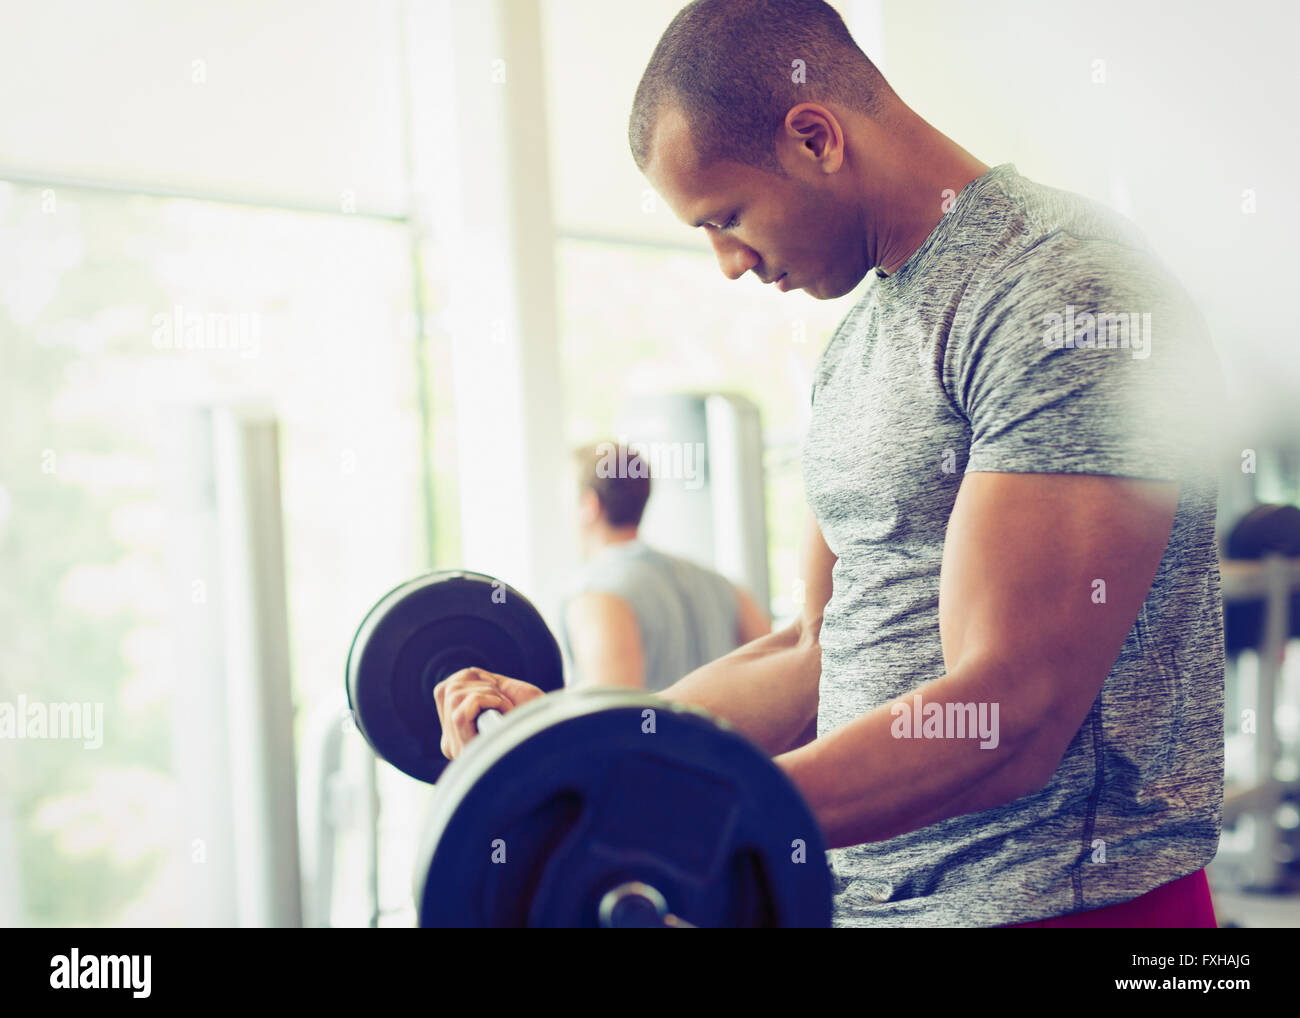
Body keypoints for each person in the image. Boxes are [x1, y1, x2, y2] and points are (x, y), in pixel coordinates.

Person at [434, 0, 1224, 928]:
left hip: (1062, 908)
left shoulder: (1060, 293)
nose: (727, 263)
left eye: (726, 217)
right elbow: (816, 651)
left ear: (815, 137)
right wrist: (590, 747)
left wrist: (680, 811)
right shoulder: (858, 345)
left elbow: (1010, 715)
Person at [560, 442, 771, 691]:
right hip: (721, 731)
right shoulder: (722, 585)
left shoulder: (596, 596)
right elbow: (776, 672)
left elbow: (612, 719)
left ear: (589, 505)